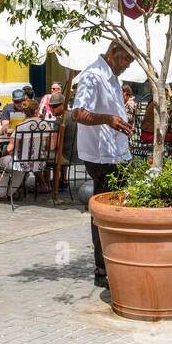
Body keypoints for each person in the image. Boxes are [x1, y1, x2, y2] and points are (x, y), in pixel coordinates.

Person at [71, 40, 134, 288]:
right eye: (125, 59)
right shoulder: (93, 76)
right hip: (102, 156)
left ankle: (111, 263)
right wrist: (108, 119)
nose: (127, 65)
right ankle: (103, 269)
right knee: (106, 213)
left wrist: (119, 122)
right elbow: (78, 113)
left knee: (116, 211)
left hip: (116, 154)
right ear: (113, 51)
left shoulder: (112, 78)